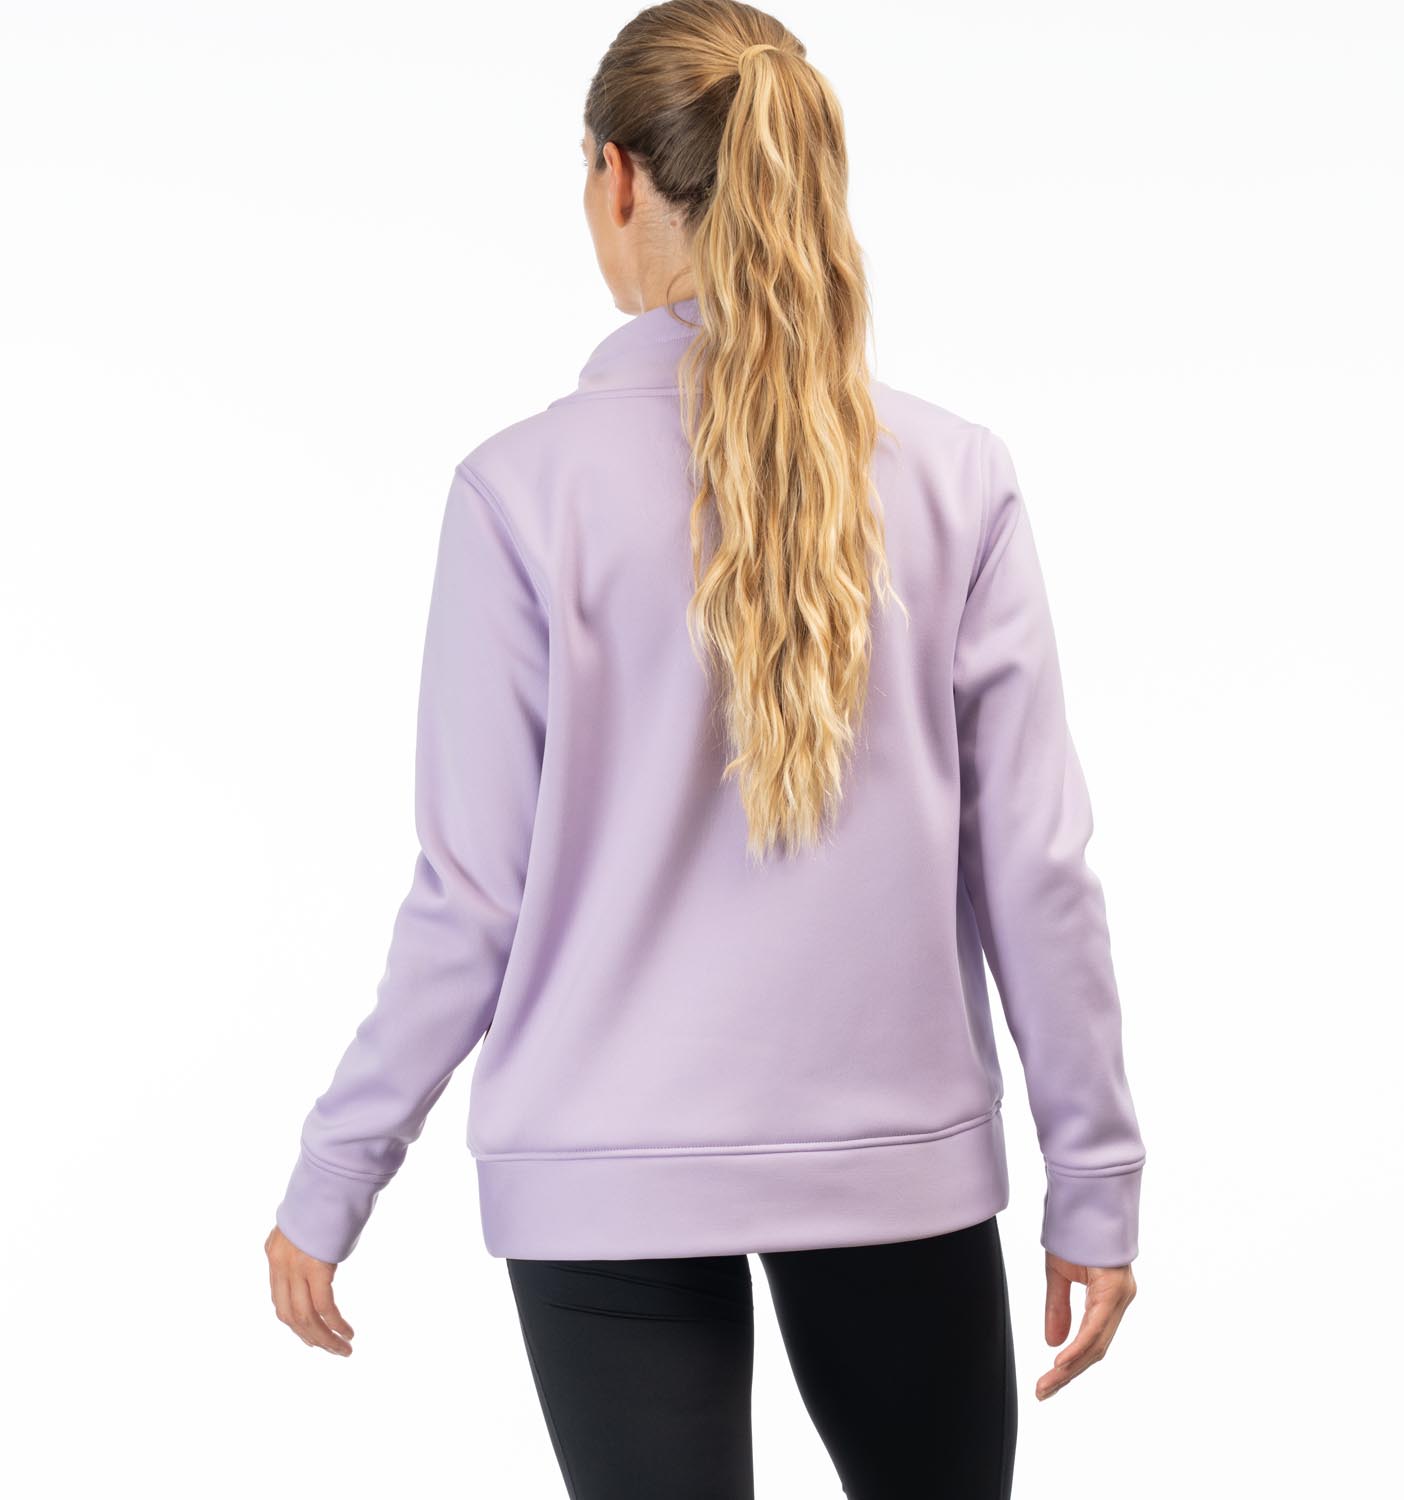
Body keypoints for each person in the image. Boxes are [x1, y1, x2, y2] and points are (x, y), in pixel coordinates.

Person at [264, 2, 1146, 1495]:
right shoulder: (954, 479)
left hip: (601, 1174)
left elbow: (471, 898)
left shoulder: (519, 494)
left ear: (617, 177)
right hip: (894, 1163)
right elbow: (1037, 869)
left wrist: (336, 1167)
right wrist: (1097, 1182)